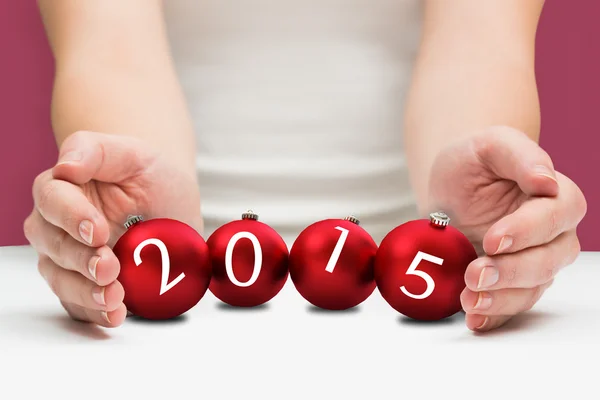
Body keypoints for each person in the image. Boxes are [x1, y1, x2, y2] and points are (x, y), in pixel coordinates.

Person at [24, 0, 587, 332]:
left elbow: (480, 47)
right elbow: (108, 53)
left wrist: (469, 214)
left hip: (420, 277)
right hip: (176, 285)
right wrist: (131, 218)